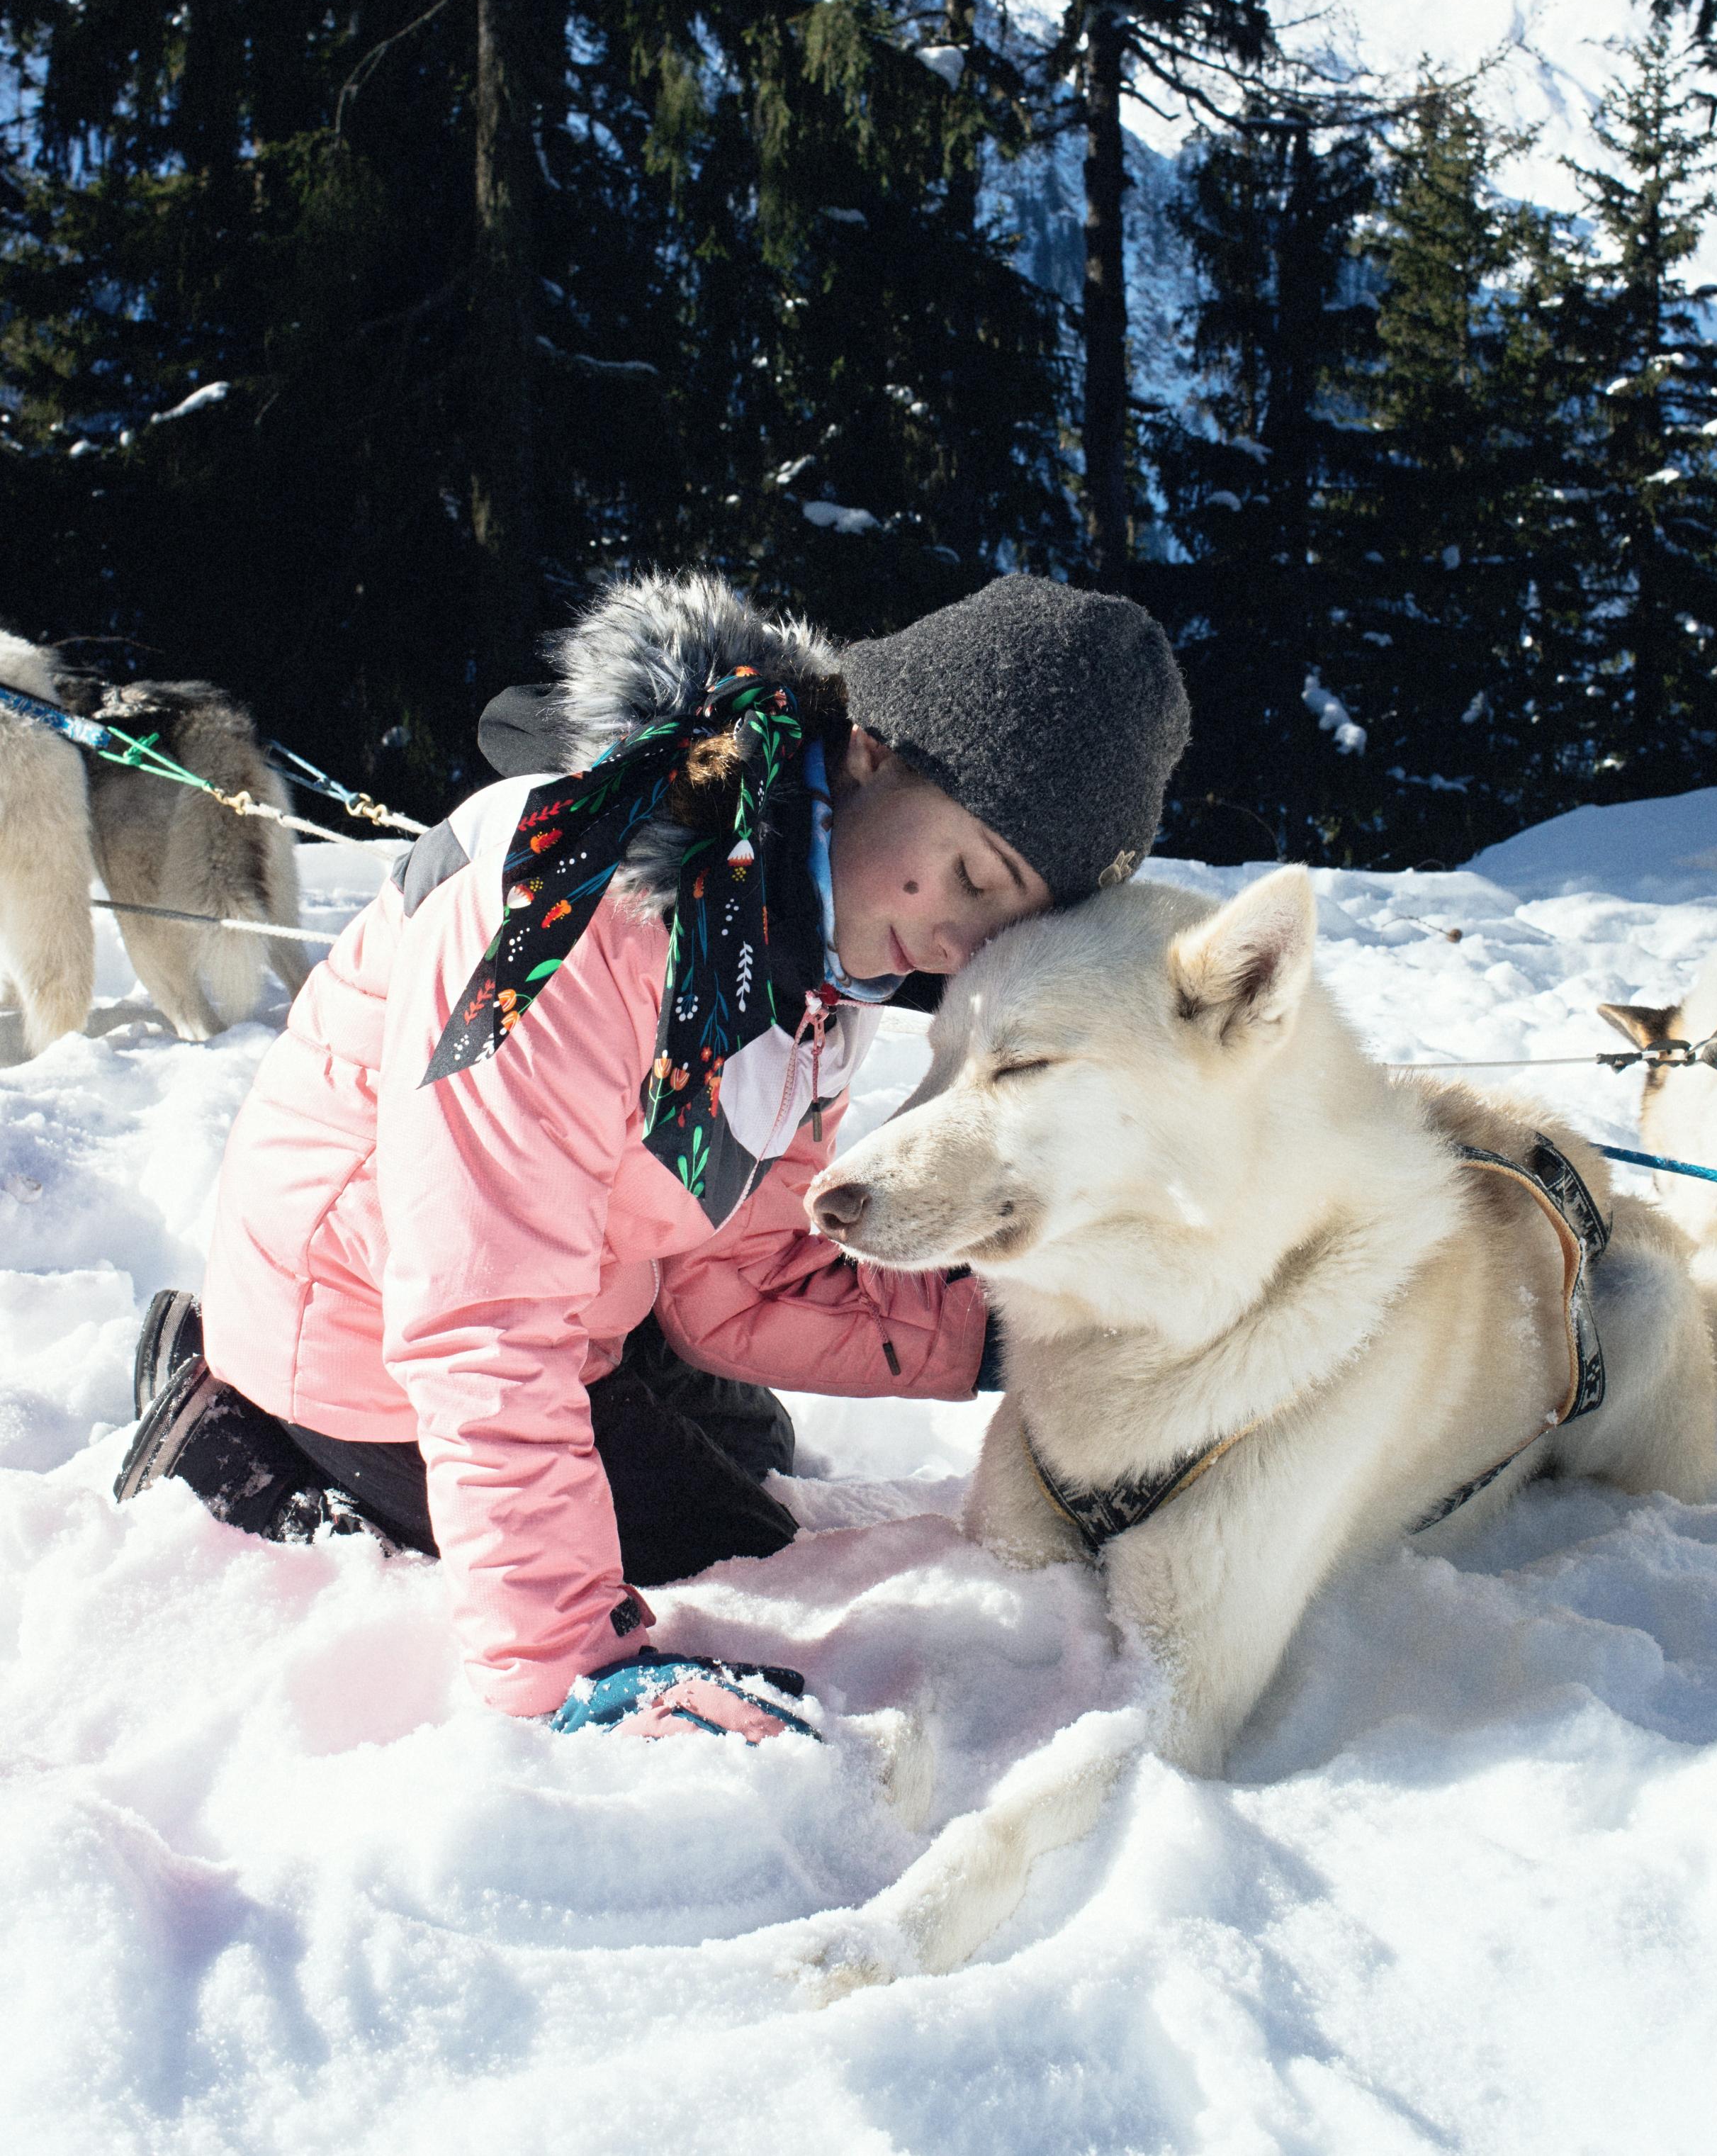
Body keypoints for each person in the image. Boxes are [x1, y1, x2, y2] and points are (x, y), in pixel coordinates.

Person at [116, 572, 1189, 1737]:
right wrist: (569, 1666)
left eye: (1002, 918)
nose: (953, 938)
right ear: (874, 747)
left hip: (580, 1289)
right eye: (973, 873)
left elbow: (747, 1270)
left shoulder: (814, 934)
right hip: (371, 1326)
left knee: (754, 1456)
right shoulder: (572, 904)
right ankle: (233, 1436)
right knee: (719, 1557)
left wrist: (1014, 1328)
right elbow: (481, 1319)